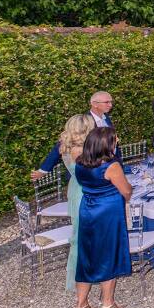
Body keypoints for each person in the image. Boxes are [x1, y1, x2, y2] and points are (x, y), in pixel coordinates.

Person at [73, 126, 131, 308]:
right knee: (109, 254)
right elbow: (126, 191)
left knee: (86, 254)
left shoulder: (79, 163)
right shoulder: (111, 166)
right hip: (108, 212)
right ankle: (108, 303)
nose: (117, 143)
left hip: (87, 210)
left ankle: (80, 305)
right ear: (106, 144)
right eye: (115, 140)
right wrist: (129, 189)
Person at [51, 113, 96, 295]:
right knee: (82, 238)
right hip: (85, 192)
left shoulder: (67, 147)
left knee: (81, 235)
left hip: (76, 189)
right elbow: (93, 173)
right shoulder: (82, 151)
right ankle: (82, 284)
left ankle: (87, 276)